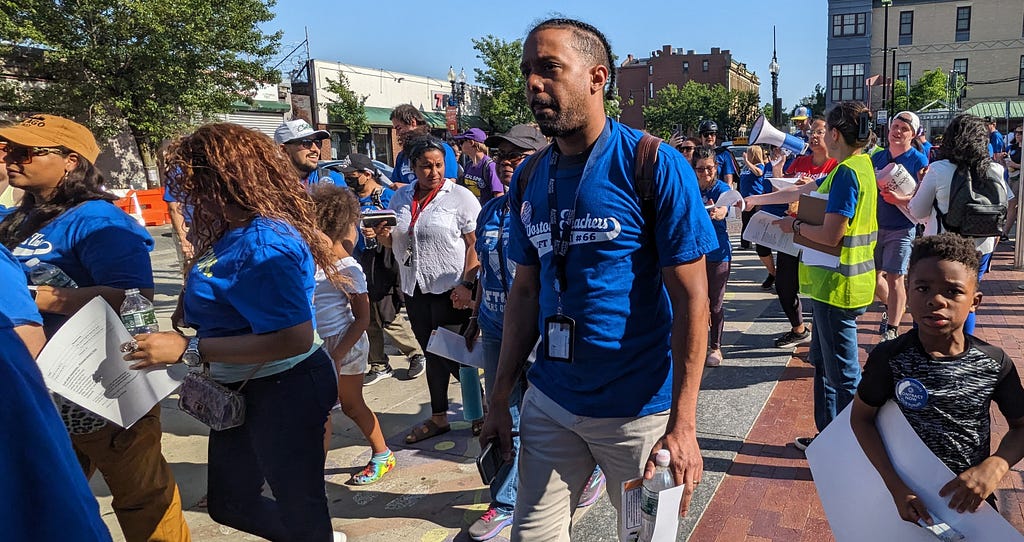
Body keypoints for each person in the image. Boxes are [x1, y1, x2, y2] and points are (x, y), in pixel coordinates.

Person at [480, 18, 717, 539]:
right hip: (550, 403)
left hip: (638, 415)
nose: (533, 84)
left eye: (549, 68)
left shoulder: (652, 163)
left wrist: (684, 423)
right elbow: (524, 290)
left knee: (645, 537)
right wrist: (500, 397)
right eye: (527, 72)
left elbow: (694, 300)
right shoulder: (528, 174)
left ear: (597, 77)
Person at [127, 122, 341, 541]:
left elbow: (293, 337)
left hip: (284, 387)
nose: (186, 193)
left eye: (194, 182)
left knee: (301, 508)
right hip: (244, 386)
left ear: (227, 180)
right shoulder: (233, 228)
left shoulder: (264, 243)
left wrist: (189, 349)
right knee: (230, 503)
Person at [0, 115, 190, 542]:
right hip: (44, 387)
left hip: (101, 383)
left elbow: (135, 294)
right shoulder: (17, 218)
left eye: (26, 151)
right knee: (54, 495)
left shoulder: (99, 220)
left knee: (143, 499)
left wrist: (40, 299)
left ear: (70, 161)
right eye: (8, 150)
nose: (12, 158)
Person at [850, 233, 1024, 523]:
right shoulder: (890, 358)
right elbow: (861, 418)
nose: (936, 301)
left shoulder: (994, 363)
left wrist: (997, 465)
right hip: (905, 497)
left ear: (974, 301)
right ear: (907, 290)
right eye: (923, 288)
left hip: (969, 503)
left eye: (953, 291)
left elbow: (1021, 426)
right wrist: (895, 487)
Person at [774, 102, 878, 451]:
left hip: (837, 287)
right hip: (837, 285)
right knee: (824, 365)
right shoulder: (860, 165)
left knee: (843, 376)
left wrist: (795, 226)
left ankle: (854, 450)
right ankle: (831, 440)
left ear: (834, 134)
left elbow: (832, 234)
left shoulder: (848, 172)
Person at [374, 134, 482, 444]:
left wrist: (467, 283)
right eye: (425, 166)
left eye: (438, 165)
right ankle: (439, 417)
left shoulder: (459, 196)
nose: (433, 172)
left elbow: (475, 243)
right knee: (432, 354)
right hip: (415, 288)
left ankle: (480, 409)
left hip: (452, 291)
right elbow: (396, 240)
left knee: (458, 356)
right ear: (412, 167)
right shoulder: (400, 198)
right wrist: (382, 236)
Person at [0, 248, 112, 541]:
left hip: (86, 396)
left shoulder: (94, 218)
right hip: (31, 437)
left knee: (140, 489)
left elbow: (131, 293)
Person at [310, 184, 395, 486]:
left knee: (347, 405)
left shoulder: (348, 267)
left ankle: (382, 453)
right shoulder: (309, 265)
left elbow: (362, 318)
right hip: (319, 347)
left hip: (345, 344)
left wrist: (337, 355)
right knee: (322, 410)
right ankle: (311, 474)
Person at [909, 114, 1007, 336]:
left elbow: (917, 211)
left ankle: (927, 350)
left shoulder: (939, 169)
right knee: (966, 302)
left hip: (942, 248)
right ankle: (963, 348)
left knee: (930, 300)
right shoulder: (996, 170)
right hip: (981, 249)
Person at [747, 116, 839, 349]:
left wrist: (808, 188)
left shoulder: (836, 166)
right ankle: (798, 328)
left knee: (819, 288)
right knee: (785, 284)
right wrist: (779, 172)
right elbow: (785, 191)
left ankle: (822, 337)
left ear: (831, 135)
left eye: (819, 132)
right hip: (793, 231)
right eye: (812, 133)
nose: (814, 136)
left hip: (817, 233)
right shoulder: (799, 162)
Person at [341, 153, 427, 383]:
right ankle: (378, 363)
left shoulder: (389, 196)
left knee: (387, 312)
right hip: (358, 263)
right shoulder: (349, 200)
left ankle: (415, 353)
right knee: (365, 315)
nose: (348, 180)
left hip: (384, 262)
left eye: (352, 175)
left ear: (367, 174)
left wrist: (380, 235)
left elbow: (403, 230)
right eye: (346, 176)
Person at [871, 111, 929, 342]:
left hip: (902, 227)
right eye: (895, 126)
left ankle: (892, 328)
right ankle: (894, 305)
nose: (897, 132)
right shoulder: (877, 157)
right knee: (872, 278)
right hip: (875, 225)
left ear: (912, 134)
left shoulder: (919, 160)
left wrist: (901, 200)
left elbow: (925, 196)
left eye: (904, 129)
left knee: (895, 277)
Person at [694, 146, 733, 367]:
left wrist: (718, 212)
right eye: (700, 169)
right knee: (695, 303)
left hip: (718, 253)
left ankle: (716, 347)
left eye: (709, 168)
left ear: (716, 168)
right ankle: (696, 344)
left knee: (715, 304)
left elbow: (724, 207)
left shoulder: (722, 188)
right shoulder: (690, 186)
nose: (705, 173)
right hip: (694, 253)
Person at [390, 105, 459, 187]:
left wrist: (407, 188)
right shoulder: (402, 156)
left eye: (399, 128)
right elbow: (395, 182)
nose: (397, 134)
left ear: (413, 122)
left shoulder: (442, 149)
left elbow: (449, 184)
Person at [738, 145, 776, 287]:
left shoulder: (761, 165)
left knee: (761, 241)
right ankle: (773, 272)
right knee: (749, 233)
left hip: (758, 204)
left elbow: (759, 173)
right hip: (746, 203)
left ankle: (773, 274)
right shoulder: (746, 168)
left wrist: (747, 162)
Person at [275, 119, 344, 186]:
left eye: (317, 142)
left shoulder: (332, 180)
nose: (315, 149)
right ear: (283, 150)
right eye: (306, 142)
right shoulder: (269, 185)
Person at [454, 128, 503, 204]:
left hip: (485, 213)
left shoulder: (490, 166)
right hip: (471, 212)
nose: (460, 145)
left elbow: (499, 195)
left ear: (471, 142)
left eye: (462, 142)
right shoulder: (468, 165)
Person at [698, 119, 736, 186]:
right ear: (700, 137)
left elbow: (728, 181)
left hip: (718, 192)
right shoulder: (696, 153)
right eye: (706, 134)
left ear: (716, 136)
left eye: (712, 134)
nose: (709, 137)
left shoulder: (724, 154)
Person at [1001, 126, 1022, 242]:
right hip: (1011, 178)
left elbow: (1016, 164)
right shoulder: (1012, 147)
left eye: (1020, 133)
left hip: (1020, 178)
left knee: (1014, 205)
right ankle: (1005, 232)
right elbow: (1006, 164)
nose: (1018, 135)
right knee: (1011, 205)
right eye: (1016, 132)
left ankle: (1005, 231)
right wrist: (1002, 160)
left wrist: (1015, 165)